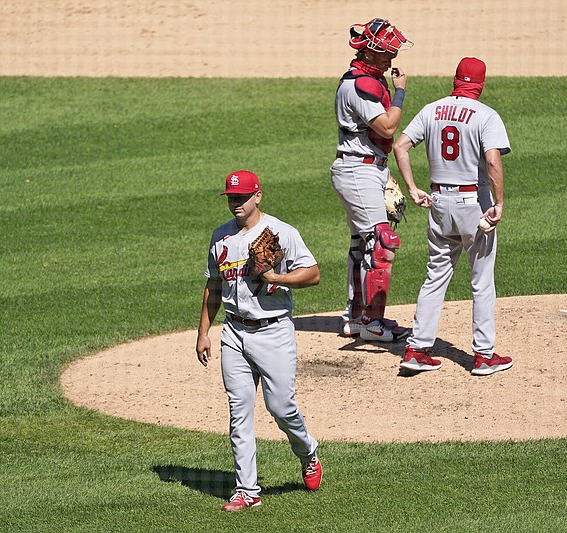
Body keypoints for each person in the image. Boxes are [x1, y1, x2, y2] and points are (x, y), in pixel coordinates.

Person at [195, 170, 323, 512]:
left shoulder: (282, 233)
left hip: (273, 331)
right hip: (234, 333)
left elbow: (313, 274)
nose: (236, 203)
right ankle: (247, 490)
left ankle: (308, 451)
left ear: (258, 196)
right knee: (239, 413)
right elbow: (214, 287)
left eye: (242, 197)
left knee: (281, 407)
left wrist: (275, 277)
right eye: (231, 198)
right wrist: (204, 332)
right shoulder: (220, 238)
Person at [392, 57, 514, 376]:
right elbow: (492, 162)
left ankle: (417, 350)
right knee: (482, 281)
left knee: (435, 276)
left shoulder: (432, 109)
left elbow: (400, 146)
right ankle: (484, 356)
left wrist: (413, 188)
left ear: (455, 80)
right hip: (474, 203)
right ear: (481, 84)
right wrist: (499, 203)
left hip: (438, 203)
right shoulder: (486, 116)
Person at [330, 17, 413, 343]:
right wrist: (401, 92)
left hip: (366, 168)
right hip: (356, 170)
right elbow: (388, 127)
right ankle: (371, 322)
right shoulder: (360, 85)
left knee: (362, 243)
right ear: (368, 53)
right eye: (385, 54)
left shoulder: (364, 80)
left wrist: (383, 172)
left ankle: (355, 317)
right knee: (382, 243)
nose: (391, 59)